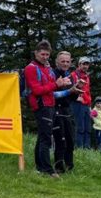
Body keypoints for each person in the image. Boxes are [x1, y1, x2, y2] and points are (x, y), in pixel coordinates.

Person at [25, 40, 72, 178]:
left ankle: (40, 167)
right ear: (36, 53)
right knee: (46, 138)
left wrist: (61, 84)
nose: (45, 57)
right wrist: (56, 84)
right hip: (41, 105)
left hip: (50, 104)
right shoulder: (31, 68)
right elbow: (37, 90)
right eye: (42, 54)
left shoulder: (46, 68)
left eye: (47, 54)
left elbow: (51, 86)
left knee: (42, 137)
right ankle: (48, 169)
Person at [52, 51, 82, 173]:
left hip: (68, 110)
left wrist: (77, 89)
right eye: (63, 61)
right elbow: (51, 94)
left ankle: (70, 166)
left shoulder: (70, 75)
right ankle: (59, 167)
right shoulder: (53, 74)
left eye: (67, 62)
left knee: (70, 140)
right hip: (56, 110)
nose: (65, 64)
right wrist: (66, 90)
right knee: (60, 141)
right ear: (57, 62)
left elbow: (72, 97)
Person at [70, 57, 92, 148]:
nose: (85, 66)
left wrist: (90, 104)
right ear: (79, 65)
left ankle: (86, 147)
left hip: (86, 104)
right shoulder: (74, 75)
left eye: (87, 64)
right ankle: (79, 147)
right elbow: (71, 89)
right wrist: (76, 99)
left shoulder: (87, 77)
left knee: (88, 128)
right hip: (78, 104)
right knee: (80, 127)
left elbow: (88, 91)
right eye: (83, 64)